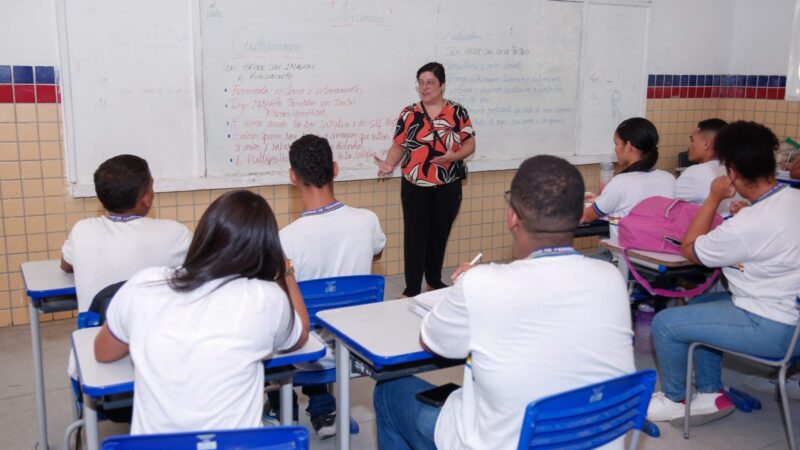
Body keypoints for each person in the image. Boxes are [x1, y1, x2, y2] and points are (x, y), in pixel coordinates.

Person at [373, 155, 635, 450]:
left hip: (504, 441)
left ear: (512, 216)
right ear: (579, 216)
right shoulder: (610, 279)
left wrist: (472, 286)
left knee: (390, 391)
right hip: (589, 439)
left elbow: (433, 341)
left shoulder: (482, 284)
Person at [94, 190, 310, 434]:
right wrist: (287, 271)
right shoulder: (266, 297)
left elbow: (103, 352)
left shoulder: (145, 283)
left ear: (205, 234)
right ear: (266, 247)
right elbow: (300, 336)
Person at [647, 121, 800, 426]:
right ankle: (709, 394)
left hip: (772, 330)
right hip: (793, 322)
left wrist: (714, 198)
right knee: (701, 307)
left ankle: (674, 400)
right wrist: (748, 218)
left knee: (665, 323)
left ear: (731, 172)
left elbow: (691, 249)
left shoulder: (747, 225)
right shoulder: (792, 200)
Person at [265, 134, 386, 439]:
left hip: (308, 356)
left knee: (280, 316)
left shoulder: (286, 239)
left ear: (293, 176)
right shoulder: (367, 220)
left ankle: (281, 406)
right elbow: (377, 251)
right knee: (326, 318)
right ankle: (323, 407)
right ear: (336, 168)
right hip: (359, 348)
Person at [62, 154, 192, 379]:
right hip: (161, 362)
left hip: (96, 361)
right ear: (146, 199)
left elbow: (66, 265)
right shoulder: (173, 234)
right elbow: (204, 267)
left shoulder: (82, 231)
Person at [374, 62, 476, 297]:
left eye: (430, 82)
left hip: (447, 184)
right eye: (421, 82)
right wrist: (390, 163)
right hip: (414, 184)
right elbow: (399, 145)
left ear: (442, 85)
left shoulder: (457, 112)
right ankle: (411, 288)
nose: (425, 87)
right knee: (415, 236)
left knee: (439, 234)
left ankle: (433, 280)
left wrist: (455, 155)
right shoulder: (409, 113)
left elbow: (470, 143)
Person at [582, 117, 675, 224]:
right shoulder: (668, 179)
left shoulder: (620, 182)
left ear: (628, 147)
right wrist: (602, 200)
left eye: (616, 143)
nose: (615, 149)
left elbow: (587, 216)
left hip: (625, 241)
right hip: (658, 241)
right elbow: (639, 221)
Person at [675, 118, 734, 214]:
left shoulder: (696, 172)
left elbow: (667, 201)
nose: (688, 145)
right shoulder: (737, 169)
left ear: (706, 143)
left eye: (692, 140)